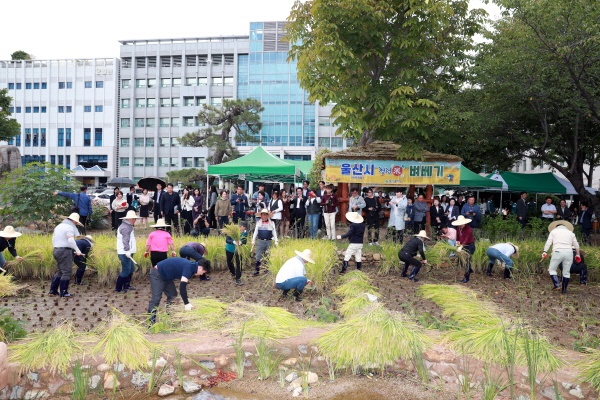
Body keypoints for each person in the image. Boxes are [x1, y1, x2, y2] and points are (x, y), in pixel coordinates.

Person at [147, 257, 211, 325]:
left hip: (167, 277)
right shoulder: (189, 267)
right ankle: (151, 323)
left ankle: (169, 318)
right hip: (157, 274)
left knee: (173, 295)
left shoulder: (192, 266)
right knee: (156, 298)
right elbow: (182, 287)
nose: (201, 274)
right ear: (200, 268)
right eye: (203, 272)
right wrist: (186, 303)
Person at [49, 213, 83, 297]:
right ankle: (63, 292)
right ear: (74, 221)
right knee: (66, 272)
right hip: (64, 251)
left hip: (56, 249)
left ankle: (53, 290)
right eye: (76, 222)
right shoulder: (69, 227)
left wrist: (57, 247)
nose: (76, 224)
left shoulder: (59, 226)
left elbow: (53, 239)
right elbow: (71, 240)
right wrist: (77, 250)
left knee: (60, 271)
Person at [542, 220, 580, 294]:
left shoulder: (553, 232)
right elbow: (576, 245)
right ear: (566, 227)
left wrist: (545, 251)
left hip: (557, 252)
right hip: (569, 252)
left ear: (556, 227)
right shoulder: (571, 233)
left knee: (552, 269)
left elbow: (548, 243)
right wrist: (578, 254)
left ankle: (556, 285)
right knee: (566, 272)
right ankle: (564, 290)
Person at [115, 210, 142, 293]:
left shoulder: (128, 226)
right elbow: (125, 240)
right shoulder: (126, 227)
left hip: (128, 252)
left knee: (131, 269)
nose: (135, 220)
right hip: (124, 253)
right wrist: (127, 250)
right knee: (126, 270)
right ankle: (118, 288)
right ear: (130, 219)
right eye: (134, 219)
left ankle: (126, 285)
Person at [252, 208, 279, 276]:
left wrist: (276, 240)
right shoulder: (258, 223)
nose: (263, 216)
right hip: (260, 241)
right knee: (258, 256)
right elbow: (256, 231)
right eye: (262, 215)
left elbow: (274, 232)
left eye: (265, 215)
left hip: (268, 241)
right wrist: (253, 240)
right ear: (261, 216)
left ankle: (267, 270)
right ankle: (257, 270)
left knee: (268, 256)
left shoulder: (271, 223)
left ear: (267, 216)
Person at [452, 215, 476, 283]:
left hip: (470, 246)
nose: (460, 225)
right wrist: (457, 244)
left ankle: (466, 277)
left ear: (464, 223)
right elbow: (458, 237)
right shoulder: (458, 228)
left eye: (461, 224)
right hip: (462, 246)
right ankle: (470, 269)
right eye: (459, 224)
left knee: (467, 261)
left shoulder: (469, 229)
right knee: (462, 260)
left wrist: (461, 246)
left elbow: (467, 239)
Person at [225, 221, 248, 286]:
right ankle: (233, 272)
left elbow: (245, 241)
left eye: (244, 228)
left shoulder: (244, 233)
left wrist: (241, 242)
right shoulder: (232, 231)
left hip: (238, 250)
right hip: (229, 249)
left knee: (239, 263)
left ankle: (238, 278)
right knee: (229, 262)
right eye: (241, 227)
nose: (242, 229)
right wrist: (233, 242)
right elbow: (227, 240)